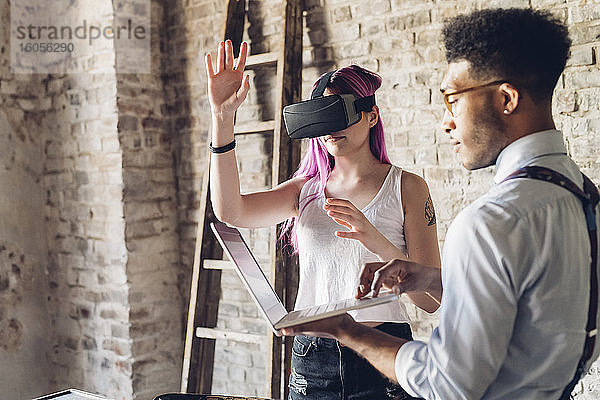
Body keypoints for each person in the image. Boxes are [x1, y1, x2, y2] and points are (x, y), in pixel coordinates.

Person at [281, 7, 600, 400]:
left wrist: (347, 330)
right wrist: (432, 278)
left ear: (506, 98)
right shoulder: (586, 198)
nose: (447, 121)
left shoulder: (490, 222)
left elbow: (447, 383)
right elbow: (538, 305)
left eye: (453, 98)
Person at [205, 39, 441, 399]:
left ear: (371, 115)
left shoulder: (407, 187)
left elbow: (431, 301)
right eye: (321, 115)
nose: (330, 127)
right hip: (312, 358)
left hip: (382, 352)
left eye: (339, 113)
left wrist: (372, 236)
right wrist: (222, 118)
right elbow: (230, 211)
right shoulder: (305, 191)